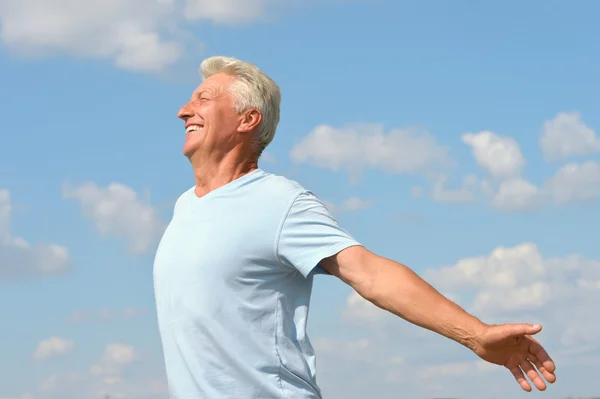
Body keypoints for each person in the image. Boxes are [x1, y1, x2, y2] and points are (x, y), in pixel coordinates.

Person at [152, 56, 557, 399]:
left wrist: (476, 334)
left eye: (203, 99)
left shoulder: (277, 201)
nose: (183, 111)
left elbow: (370, 272)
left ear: (248, 119)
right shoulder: (186, 206)